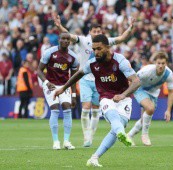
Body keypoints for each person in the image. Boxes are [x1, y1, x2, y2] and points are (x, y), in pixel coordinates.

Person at [54, 34, 140, 167]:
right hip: (106, 97)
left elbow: (136, 81)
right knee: (115, 122)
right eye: (94, 49)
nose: (96, 52)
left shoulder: (120, 60)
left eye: (99, 49)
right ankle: (122, 134)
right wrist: (63, 88)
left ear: (107, 47)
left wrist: (123, 95)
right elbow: (78, 75)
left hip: (124, 98)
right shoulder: (93, 63)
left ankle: (94, 157)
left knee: (117, 127)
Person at [53, 14, 135, 147]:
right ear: (90, 32)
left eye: (98, 31)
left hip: (100, 80)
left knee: (96, 108)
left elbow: (121, 38)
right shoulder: (83, 40)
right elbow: (69, 36)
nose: (96, 33)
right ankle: (86, 135)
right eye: (94, 31)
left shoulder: (105, 41)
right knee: (86, 107)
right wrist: (59, 26)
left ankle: (91, 134)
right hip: (85, 78)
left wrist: (130, 28)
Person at [37, 32, 79, 150]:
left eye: (67, 39)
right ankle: (56, 141)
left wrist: (74, 95)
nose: (65, 41)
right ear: (59, 40)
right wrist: (46, 83)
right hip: (50, 85)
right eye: (63, 39)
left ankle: (66, 141)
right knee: (55, 109)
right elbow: (39, 71)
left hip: (64, 86)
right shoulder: (49, 52)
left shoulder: (73, 57)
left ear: (70, 41)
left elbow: (74, 78)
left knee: (67, 107)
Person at [127, 51, 173, 146]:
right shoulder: (146, 71)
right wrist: (126, 94)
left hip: (154, 93)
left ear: (166, 64)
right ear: (155, 63)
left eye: (163, 63)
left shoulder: (169, 74)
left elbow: (171, 92)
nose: (160, 66)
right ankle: (145, 135)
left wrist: (168, 110)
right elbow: (133, 80)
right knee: (150, 108)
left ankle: (129, 135)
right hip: (140, 89)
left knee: (144, 118)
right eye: (158, 63)